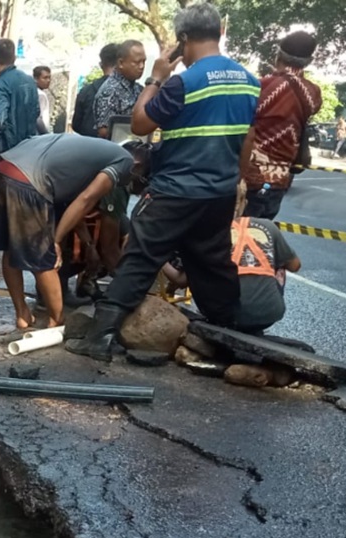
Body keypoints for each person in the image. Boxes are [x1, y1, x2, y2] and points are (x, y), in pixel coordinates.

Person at [68, 2, 259, 361]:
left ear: (183, 40)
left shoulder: (183, 83)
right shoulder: (249, 82)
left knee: (139, 259)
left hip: (175, 191)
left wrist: (156, 77)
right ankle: (230, 336)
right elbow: (248, 138)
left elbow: (140, 124)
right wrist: (236, 180)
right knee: (212, 262)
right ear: (220, 34)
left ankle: (100, 337)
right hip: (218, 193)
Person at [0, 134, 137, 330]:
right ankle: (57, 320)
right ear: (138, 167)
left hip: (3, 170)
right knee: (43, 259)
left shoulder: (88, 154)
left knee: (10, 248)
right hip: (29, 180)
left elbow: (74, 206)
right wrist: (55, 241)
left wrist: (87, 243)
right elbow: (86, 200)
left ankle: (22, 314)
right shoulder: (125, 162)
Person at [162, 217, 301, 333]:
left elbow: (180, 280)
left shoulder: (202, 230)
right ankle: (260, 308)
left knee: (201, 270)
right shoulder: (268, 226)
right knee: (281, 263)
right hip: (269, 315)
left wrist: (158, 260)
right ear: (244, 202)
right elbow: (295, 266)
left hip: (219, 315)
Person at [239, 30, 321, 219]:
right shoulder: (313, 93)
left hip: (248, 177)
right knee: (261, 238)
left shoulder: (261, 86)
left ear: (278, 56)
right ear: (308, 61)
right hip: (280, 180)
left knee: (239, 239)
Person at [0, 39, 42, 156]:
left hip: (7, 147)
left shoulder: (0, 84)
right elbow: (37, 111)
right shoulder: (29, 80)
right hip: (29, 144)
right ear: (14, 58)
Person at [94, 40, 146, 140]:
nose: (142, 66)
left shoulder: (137, 88)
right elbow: (104, 131)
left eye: (144, 61)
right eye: (137, 62)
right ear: (121, 63)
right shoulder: (109, 91)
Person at [71, 44, 120, 138]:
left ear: (101, 65)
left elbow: (76, 125)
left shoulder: (86, 91)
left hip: (89, 147)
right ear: (121, 63)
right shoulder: (132, 92)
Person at [33, 66, 54, 135]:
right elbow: (38, 118)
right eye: (45, 78)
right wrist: (46, 134)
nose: (48, 80)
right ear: (36, 79)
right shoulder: (40, 94)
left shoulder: (32, 91)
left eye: (49, 77)